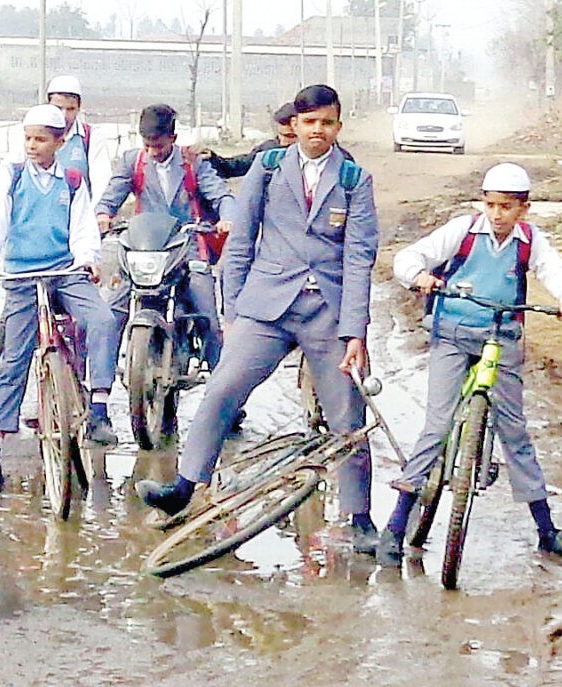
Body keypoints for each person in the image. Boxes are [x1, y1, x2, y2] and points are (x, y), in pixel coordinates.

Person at [136, 84, 382, 554]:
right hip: (266, 306)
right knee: (223, 388)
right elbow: (241, 242)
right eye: (309, 123)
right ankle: (184, 487)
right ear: (295, 126)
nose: (317, 131)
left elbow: (359, 258)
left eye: (327, 123)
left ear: (337, 126)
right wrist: (234, 310)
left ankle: (360, 516)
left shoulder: (354, 180)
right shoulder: (268, 170)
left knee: (347, 413)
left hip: (327, 312)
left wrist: (355, 332)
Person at [377, 162, 562, 565]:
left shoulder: (530, 240)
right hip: (453, 333)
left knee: (515, 433)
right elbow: (412, 255)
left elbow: (554, 270)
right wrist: (418, 276)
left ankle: (547, 530)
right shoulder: (463, 231)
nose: (497, 214)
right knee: (436, 426)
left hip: (503, 336)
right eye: (491, 204)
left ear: (523, 209)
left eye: (507, 207)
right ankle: (396, 526)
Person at [0, 104, 118, 491]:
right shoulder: (12, 175)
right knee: (13, 361)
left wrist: (88, 259)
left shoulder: (71, 180)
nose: (33, 145)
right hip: (21, 276)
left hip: (65, 272)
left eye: (41, 139)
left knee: (102, 319)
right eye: (29, 138)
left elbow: (83, 226)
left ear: (59, 141)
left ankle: (99, 407)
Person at [96, 103, 234, 376]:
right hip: (143, 249)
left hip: (187, 247)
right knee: (110, 312)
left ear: (173, 138)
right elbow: (111, 196)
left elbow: (220, 195)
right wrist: (102, 214)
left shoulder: (194, 163)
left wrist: (228, 217)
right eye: (147, 145)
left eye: (158, 145)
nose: (152, 152)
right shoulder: (131, 161)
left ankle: (222, 390)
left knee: (207, 312)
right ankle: (99, 392)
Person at [209, 103, 298, 180]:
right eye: (280, 135)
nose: (283, 142)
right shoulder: (268, 151)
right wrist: (212, 158)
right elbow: (235, 167)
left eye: (291, 136)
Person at [46, 75, 94, 175]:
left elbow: (100, 179)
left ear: (79, 106)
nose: (64, 115)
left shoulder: (91, 136)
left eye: (70, 109)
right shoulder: (30, 134)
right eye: (58, 108)